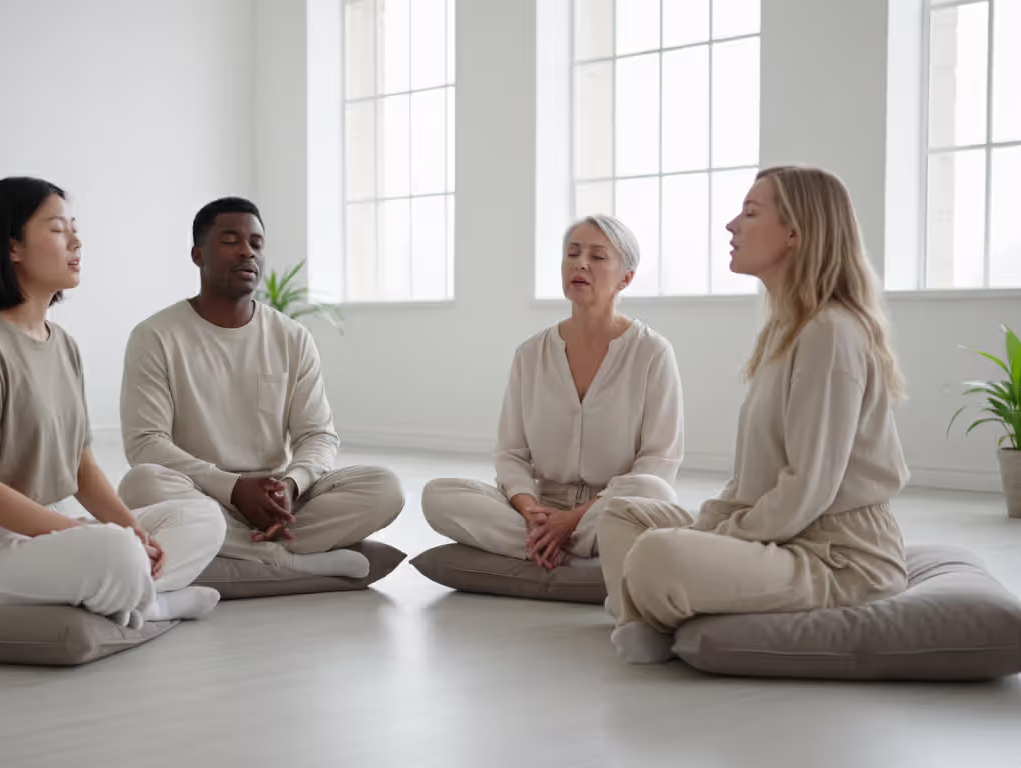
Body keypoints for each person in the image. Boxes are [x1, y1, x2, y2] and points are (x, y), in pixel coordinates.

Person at [599, 166, 909, 664]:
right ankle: (659, 615)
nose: (731, 226)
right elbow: (751, 482)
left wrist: (713, 539)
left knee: (658, 556)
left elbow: (807, 489)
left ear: (794, 233)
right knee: (621, 517)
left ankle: (652, 616)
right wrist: (709, 527)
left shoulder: (831, 333)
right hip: (780, 536)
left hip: (837, 557)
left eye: (749, 213)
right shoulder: (787, 330)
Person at [0, 177, 226, 630]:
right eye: (58, 229)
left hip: (46, 531)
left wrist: (132, 530)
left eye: (74, 228)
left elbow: (83, 470)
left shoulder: (64, 346)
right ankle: (152, 605)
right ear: (13, 247)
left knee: (201, 517)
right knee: (113, 550)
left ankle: (123, 590)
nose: (76, 241)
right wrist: (92, 536)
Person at [116, 196, 403, 579]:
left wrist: (291, 484)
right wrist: (231, 487)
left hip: (277, 503)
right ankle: (285, 560)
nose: (247, 252)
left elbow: (317, 435)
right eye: (231, 240)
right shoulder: (155, 336)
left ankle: (232, 550)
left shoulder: (292, 337)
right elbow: (145, 444)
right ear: (198, 255)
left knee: (385, 488)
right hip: (201, 495)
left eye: (256, 243)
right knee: (141, 483)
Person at [422, 214, 684, 571]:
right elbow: (510, 453)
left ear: (626, 277)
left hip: (607, 507)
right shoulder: (530, 354)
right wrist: (528, 508)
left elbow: (658, 463)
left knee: (655, 493)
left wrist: (574, 519)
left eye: (597, 256)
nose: (580, 263)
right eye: (572, 253)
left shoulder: (652, 352)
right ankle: (570, 551)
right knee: (439, 495)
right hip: (541, 508)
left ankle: (547, 548)